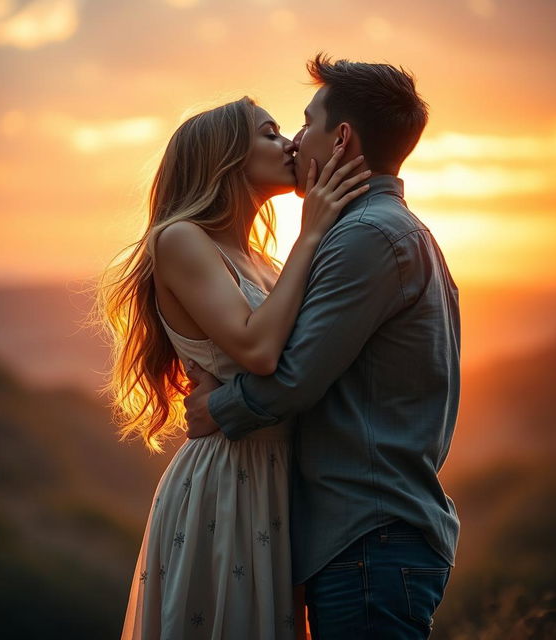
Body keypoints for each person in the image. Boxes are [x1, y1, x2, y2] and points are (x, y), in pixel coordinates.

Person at [184, 55, 461, 639]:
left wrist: (219, 407)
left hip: (369, 536)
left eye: (305, 124)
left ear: (341, 137)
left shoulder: (365, 237)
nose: (296, 140)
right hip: (371, 536)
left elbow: (296, 375)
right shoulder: (386, 230)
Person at [96, 96, 371, 639]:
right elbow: (259, 351)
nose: (290, 142)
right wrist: (310, 233)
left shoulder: (262, 261)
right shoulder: (180, 239)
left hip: (280, 476)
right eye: (270, 133)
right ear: (224, 156)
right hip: (229, 477)